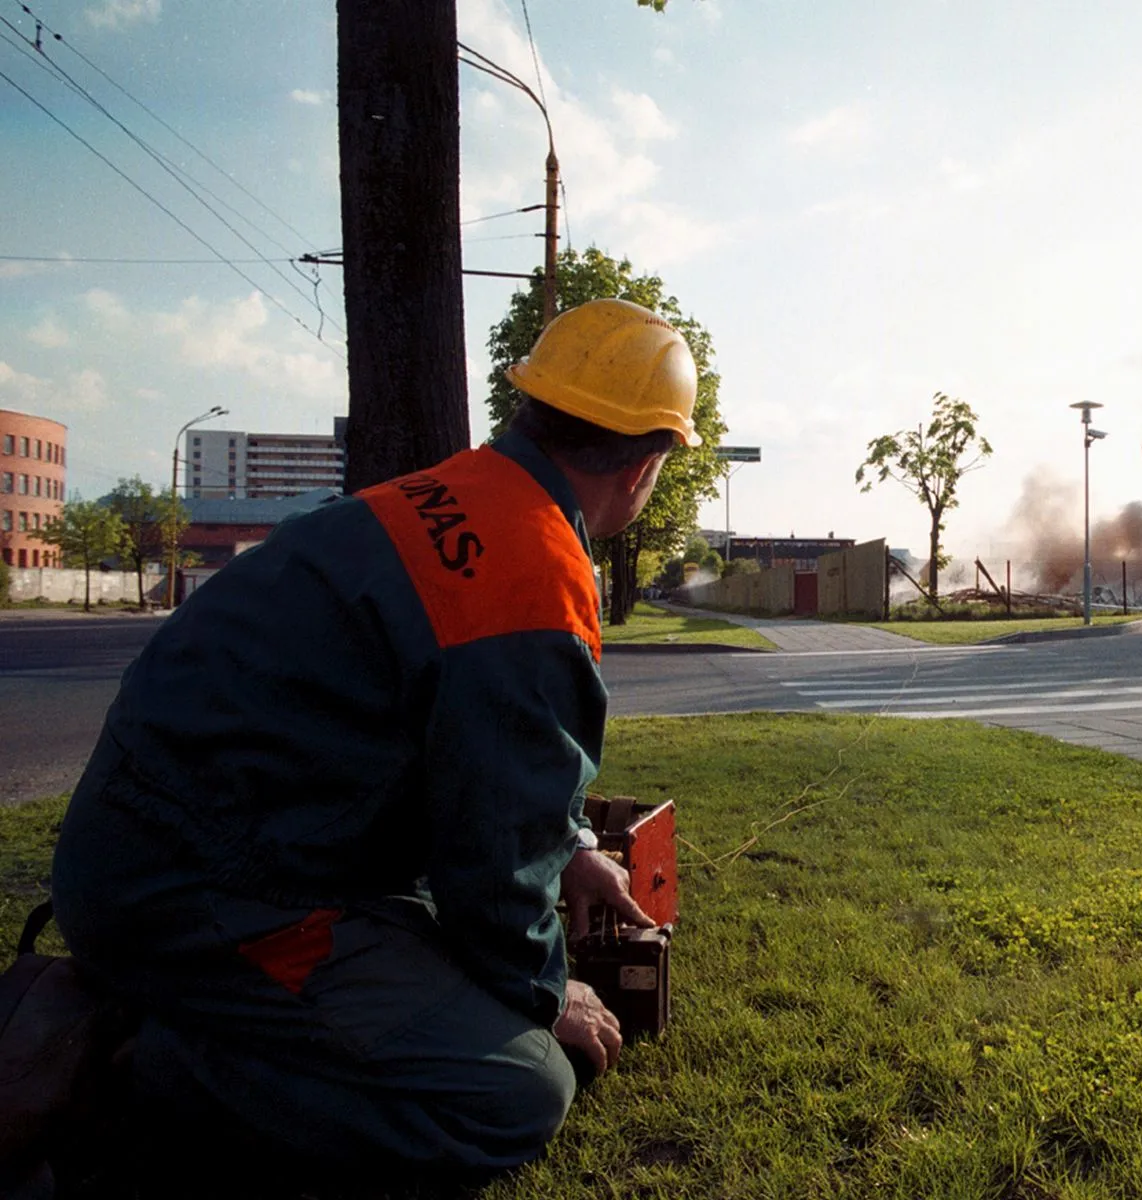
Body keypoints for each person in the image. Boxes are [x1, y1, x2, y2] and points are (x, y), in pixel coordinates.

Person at [46, 297, 702, 1177]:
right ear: (643, 466)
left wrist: (571, 845)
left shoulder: (436, 499)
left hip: (157, 852)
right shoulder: (535, 577)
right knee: (518, 1089)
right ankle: (141, 1065)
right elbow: (493, 869)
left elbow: (467, 758)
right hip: (203, 897)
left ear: (529, 409)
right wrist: (549, 999)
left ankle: (176, 1015)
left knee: (448, 975)